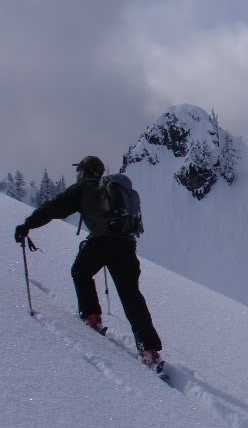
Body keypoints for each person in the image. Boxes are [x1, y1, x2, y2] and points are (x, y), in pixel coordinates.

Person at [13, 155, 163, 368]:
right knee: (131, 295)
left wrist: (28, 225)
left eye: (80, 170)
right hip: (127, 246)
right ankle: (149, 349)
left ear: (84, 172)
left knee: (80, 272)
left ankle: (92, 316)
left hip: (101, 242)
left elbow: (52, 209)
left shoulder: (81, 190)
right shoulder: (112, 190)